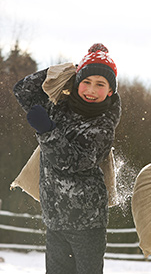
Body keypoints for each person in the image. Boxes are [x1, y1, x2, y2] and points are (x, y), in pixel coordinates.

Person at [13, 43, 121, 274]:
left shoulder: (103, 124)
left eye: (100, 84)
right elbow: (22, 91)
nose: (91, 89)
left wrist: (47, 130)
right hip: (54, 219)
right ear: (76, 83)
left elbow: (72, 162)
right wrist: (65, 71)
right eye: (86, 82)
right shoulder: (61, 107)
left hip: (87, 224)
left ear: (110, 91)